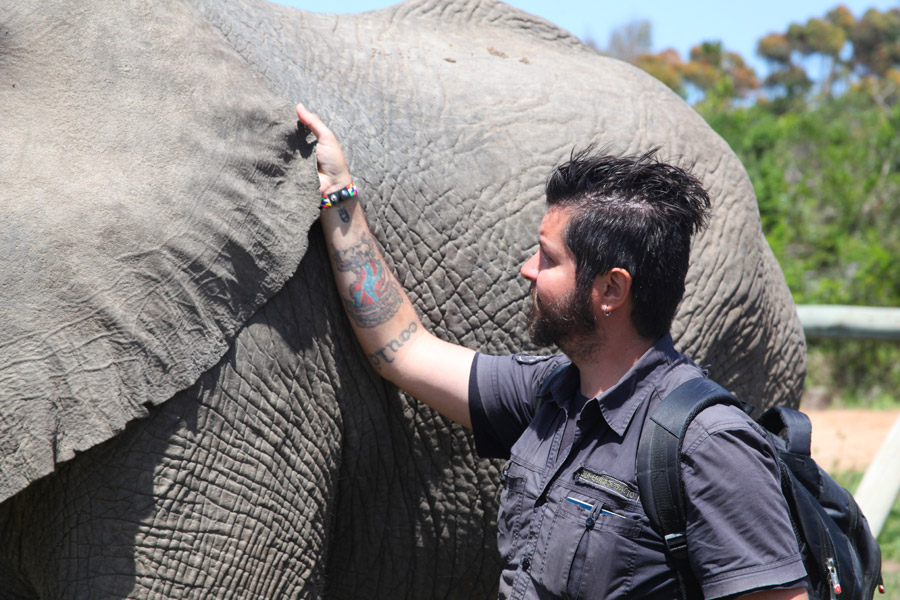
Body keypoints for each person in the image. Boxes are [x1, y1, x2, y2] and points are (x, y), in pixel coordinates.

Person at [296, 103, 809, 600]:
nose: (527, 269)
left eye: (548, 257)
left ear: (611, 290)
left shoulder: (711, 445)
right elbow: (402, 350)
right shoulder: (549, 395)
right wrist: (340, 196)